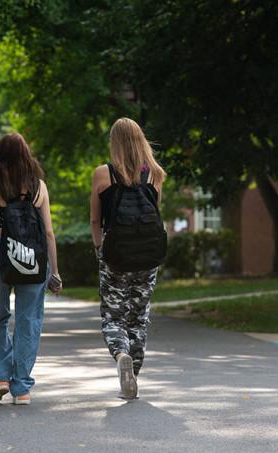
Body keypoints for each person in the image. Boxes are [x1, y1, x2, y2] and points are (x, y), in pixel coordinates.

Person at [0, 132, 62, 405]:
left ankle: (0, 378)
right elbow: (47, 233)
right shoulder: (38, 188)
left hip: (0, 257)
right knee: (28, 322)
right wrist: (54, 272)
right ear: (26, 155)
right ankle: (21, 389)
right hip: (34, 260)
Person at [90, 118, 166, 400]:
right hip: (148, 257)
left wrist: (100, 250)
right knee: (138, 317)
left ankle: (121, 353)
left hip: (115, 255)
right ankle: (133, 373)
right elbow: (155, 217)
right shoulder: (155, 174)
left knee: (113, 316)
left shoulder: (103, 174)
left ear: (115, 142)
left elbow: (96, 219)